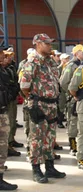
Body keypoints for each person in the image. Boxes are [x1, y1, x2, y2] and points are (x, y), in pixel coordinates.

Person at [20, 33, 66, 183]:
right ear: (38, 44)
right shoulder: (32, 63)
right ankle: (36, 169)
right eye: (46, 43)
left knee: (50, 137)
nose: (49, 45)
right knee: (36, 139)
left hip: (52, 104)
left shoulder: (50, 62)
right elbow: (24, 87)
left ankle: (50, 166)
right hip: (38, 104)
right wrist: (33, 100)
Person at [59, 44, 83, 156]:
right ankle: (73, 146)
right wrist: (71, 94)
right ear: (76, 53)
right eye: (82, 52)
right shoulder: (71, 66)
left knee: (82, 123)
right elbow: (64, 82)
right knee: (73, 122)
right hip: (73, 99)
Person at [0, 46, 18, 190]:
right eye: (1, 54)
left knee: (2, 146)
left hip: (2, 111)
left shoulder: (4, 71)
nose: (3, 57)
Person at [3, 50, 22, 156]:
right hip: (6, 100)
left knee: (12, 121)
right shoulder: (4, 70)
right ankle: (7, 144)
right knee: (8, 122)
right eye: (6, 57)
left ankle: (11, 140)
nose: (8, 59)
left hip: (11, 98)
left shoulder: (10, 68)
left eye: (10, 57)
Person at [57, 53, 70, 129]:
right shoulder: (59, 68)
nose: (67, 60)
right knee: (61, 106)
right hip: (61, 90)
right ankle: (60, 121)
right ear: (62, 59)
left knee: (68, 106)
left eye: (68, 58)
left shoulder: (69, 67)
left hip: (67, 89)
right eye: (65, 58)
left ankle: (68, 122)